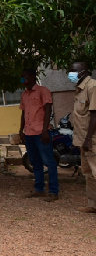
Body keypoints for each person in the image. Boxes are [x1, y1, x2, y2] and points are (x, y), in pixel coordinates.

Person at [19, 69, 59, 202]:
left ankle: (54, 191)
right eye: (22, 77)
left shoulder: (43, 91)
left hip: (41, 133)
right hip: (29, 133)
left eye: (25, 76)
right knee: (35, 162)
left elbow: (48, 109)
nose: (23, 79)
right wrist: (21, 130)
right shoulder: (24, 95)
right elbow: (23, 113)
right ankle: (39, 189)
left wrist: (45, 130)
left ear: (32, 76)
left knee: (49, 162)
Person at [67, 62, 96, 212]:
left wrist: (88, 139)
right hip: (82, 138)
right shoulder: (79, 90)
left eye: (73, 70)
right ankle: (93, 205)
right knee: (88, 173)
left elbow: (94, 115)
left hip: (91, 140)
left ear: (83, 72)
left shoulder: (92, 87)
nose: (70, 73)